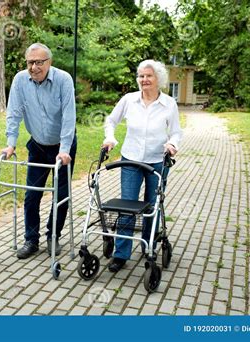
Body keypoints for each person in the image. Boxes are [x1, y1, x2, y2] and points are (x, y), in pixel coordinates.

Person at [102, 59, 182, 272]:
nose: (144, 80)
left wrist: (172, 144)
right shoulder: (129, 100)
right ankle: (121, 254)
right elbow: (111, 121)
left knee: (152, 206)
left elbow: (175, 131)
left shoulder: (168, 104)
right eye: (141, 76)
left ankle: (149, 247)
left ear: (158, 79)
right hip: (131, 159)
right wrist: (110, 139)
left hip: (157, 161)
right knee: (127, 206)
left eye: (149, 76)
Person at [2, 43, 77, 259]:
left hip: (63, 145)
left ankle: (53, 236)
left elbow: (68, 117)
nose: (34, 67)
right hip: (37, 144)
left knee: (61, 194)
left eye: (39, 62)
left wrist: (64, 150)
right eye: (30, 62)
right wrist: (11, 143)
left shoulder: (63, 80)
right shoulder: (19, 80)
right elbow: (13, 113)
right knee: (32, 194)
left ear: (49, 62)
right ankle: (31, 240)